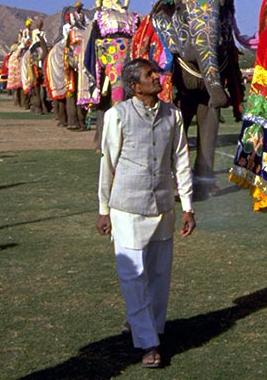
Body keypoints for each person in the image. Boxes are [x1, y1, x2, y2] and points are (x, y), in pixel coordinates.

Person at [95, 58, 196, 369]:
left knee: (158, 275)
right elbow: (107, 163)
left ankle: (146, 325)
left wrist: (188, 206)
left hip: (163, 205)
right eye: (150, 74)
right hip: (126, 207)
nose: (158, 77)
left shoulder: (173, 115)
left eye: (157, 72)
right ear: (134, 86)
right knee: (133, 275)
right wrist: (103, 210)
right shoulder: (118, 115)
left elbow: (180, 159)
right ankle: (148, 343)